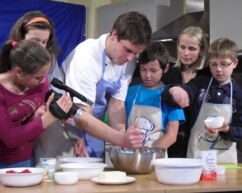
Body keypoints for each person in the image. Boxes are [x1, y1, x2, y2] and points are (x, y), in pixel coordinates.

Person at [62, 11, 152, 158]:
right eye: (128, 50)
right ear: (114, 35)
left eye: (136, 54)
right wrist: (120, 138)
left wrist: (124, 140)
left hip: (94, 125)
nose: (130, 58)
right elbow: (81, 114)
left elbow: (117, 104)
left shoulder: (127, 61)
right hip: (67, 125)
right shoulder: (87, 55)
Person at [7, 11, 84, 161]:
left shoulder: (50, 62)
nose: (41, 48)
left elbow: (60, 98)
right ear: (21, 38)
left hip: (42, 129)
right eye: (35, 41)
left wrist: (76, 135)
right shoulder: (7, 65)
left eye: (44, 42)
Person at [162, 38, 242, 163]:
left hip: (224, 163)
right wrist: (174, 91)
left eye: (224, 64)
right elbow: (185, 90)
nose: (218, 69)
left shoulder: (241, 96)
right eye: (213, 64)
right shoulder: (199, 84)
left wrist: (227, 129)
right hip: (196, 159)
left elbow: (241, 130)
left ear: (235, 63)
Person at [0, 40, 72, 168]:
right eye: (38, 77)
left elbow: (32, 124)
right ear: (18, 72)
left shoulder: (40, 84)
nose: (43, 81)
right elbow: (10, 139)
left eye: (44, 76)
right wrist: (48, 117)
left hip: (26, 157)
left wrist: (38, 116)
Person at [125, 42, 185, 152]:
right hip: (130, 157)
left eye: (153, 70)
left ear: (165, 68)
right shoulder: (129, 92)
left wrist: (149, 154)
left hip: (156, 158)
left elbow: (172, 135)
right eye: (143, 69)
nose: (147, 75)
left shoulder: (171, 97)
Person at [162, 26, 209, 158]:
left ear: (201, 51)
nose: (186, 53)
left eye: (192, 48)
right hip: (173, 144)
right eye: (182, 47)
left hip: (202, 142)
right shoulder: (170, 75)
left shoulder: (208, 76)